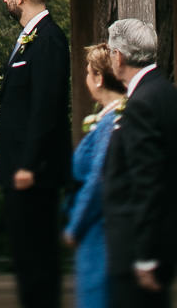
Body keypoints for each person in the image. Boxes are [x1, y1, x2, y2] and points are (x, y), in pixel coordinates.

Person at [0, 0, 71, 308]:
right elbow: (19, 108)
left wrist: (29, 164)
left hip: (35, 174)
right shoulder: (28, 38)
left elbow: (45, 109)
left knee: (38, 262)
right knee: (25, 259)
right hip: (17, 165)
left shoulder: (48, 39)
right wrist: (3, 152)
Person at [101, 18, 177, 308]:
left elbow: (146, 180)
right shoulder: (168, 93)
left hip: (139, 243)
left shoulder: (142, 102)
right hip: (164, 237)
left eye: (109, 51)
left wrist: (144, 256)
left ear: (118, 56)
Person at [64, 44, 128, 308]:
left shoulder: (109, 124)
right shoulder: (115, 117)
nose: (87, 79)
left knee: (96, 296)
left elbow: (97, 179)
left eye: (89, 73)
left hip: (98, 228)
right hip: (108, 224)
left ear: (99, 78)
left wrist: (75, 225)